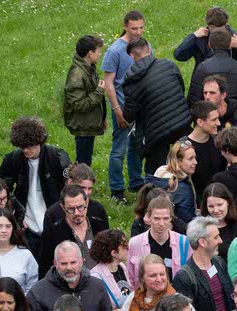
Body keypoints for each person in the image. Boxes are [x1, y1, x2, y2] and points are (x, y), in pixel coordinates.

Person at [0, 116, 70, 254]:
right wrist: (15, 215)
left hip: (54, 223)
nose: (26, 151)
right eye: (22, 147)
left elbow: (69, 191)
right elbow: (2, 189)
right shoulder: (12, 159)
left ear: (39, 142)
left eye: (30, 146)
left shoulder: (58, 158)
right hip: (26, 226)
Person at [123, 37, 192, 177]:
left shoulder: (131, 80)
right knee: (188, 158)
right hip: (182, 122)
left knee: (158, 171)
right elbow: (181, 87)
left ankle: (158, 195)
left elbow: (129, 114)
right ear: (149, 49)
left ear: (132, 56)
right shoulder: (168, 65)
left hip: (156, 133)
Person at [172, 217, 235, 311]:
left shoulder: (219, 263)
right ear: (202, 242)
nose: (220, 241)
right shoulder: (184, 278)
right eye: (216, 237)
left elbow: (230, 297)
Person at [101, 12, 146, 201]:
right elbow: (109, 83)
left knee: (137, 146)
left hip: (140, 107)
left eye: (141, 27)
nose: (138, 32)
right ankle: (117, 189)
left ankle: (136, 182)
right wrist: (116, 109)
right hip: (123, 108)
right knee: (119, 150)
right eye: (134, 28)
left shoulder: (144, 45)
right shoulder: (115, 51)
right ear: (125, 26)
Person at [26, 241, 113, 311]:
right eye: (64, 263)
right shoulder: (38, 292)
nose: (69, 267)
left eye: (73, 262)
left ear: (81, 261)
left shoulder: (97, 286)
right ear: (55, 263)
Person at [38, 185, 109, 277]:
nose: (77, 213)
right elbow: (45, 270)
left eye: (80, 207)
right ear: (63, 208)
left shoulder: (99, 226)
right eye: (71, 209)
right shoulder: (52, 234)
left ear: (87, 203)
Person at [126, 197, 192, 287]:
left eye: (165, 219)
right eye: (156, 219)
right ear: (148, 217)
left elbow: (189, 275)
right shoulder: (135, 243)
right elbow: (131, 278)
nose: (161, 223)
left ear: (171, 218)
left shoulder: (184, 242)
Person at [64, 35, 106, 168]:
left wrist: (101, 119)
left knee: (85, 162)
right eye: (98, 51)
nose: (100, 54)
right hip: (82, 126)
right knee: (83, 164)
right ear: (90, 53)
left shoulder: (89, 67)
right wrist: (99, 91)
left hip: (88, 124)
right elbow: (79, 104)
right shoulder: (77, 74)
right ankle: (78, 187)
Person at [42, 162, 110, 234]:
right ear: (70, 182)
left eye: (90, 188)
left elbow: (106, 240)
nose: (86, 193)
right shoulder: (53, 213)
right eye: (82, 187)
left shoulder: (98, 209)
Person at [188, 26, 237, 106]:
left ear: (209, 45)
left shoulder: (202, 67)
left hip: (209, 114)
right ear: (229, 45)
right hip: (235, 114)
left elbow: (193, 99)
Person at [173, 6, 237, 67]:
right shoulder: (200, 38)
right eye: (214, 28)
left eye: (221, 28)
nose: (218, 32)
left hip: (229, 76)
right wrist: (193, 36)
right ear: (208, 25)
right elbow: (179, 56)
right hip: (205, 77)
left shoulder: (234, 37)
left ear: (226, 23)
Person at [145, 139, 200, 224]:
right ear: (178, 161)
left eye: (195, 157)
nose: (195, 162)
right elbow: (186, 219)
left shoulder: (158, 176)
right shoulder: (183, 188)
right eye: (190, 159)